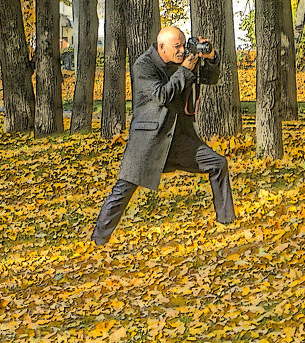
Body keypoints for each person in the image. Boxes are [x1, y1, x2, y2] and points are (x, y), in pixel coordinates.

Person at [90, 26, 235, 246]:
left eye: (183, 45)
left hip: (178, 139)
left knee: (218, 163)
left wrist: (211, 57)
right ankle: (98, 241)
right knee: (123, 191)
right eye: (176, 47)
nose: (181, 51)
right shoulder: (144, 65)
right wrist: (185, 70)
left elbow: (210, 79)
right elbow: (162, 95)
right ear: (161, 47)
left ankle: (227, 225)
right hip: (148, 141)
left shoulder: (185, 60)